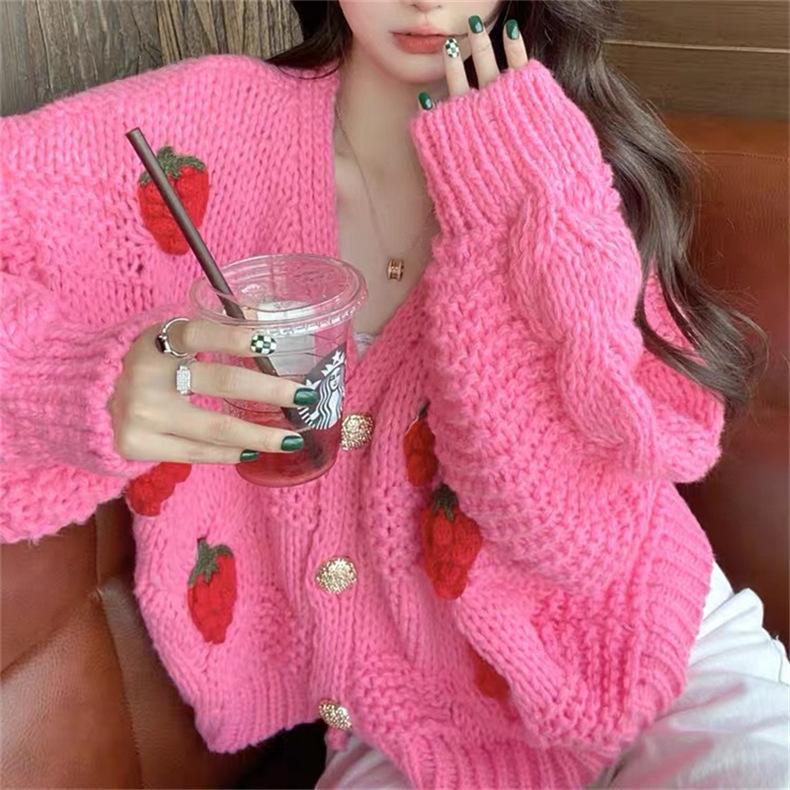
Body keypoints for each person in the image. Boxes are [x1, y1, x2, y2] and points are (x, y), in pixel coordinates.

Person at [1, 1, 787, 787]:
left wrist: (505, 213)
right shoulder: (202, 127)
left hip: (656, 647)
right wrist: (80, 384)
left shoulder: (557, 152)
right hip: (398, 716)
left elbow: (566, 529)